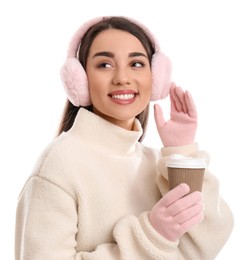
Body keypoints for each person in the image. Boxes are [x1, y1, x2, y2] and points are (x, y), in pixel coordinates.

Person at [15, 16, 234, 259]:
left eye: (137, 64)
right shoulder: (59, 165)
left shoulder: (153, 162)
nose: (122, 78)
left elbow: (203, 243)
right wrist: (152, 237)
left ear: (156, 77)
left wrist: (181, 154)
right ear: (80, 80)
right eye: (105, 65)